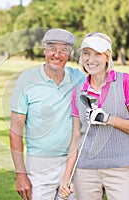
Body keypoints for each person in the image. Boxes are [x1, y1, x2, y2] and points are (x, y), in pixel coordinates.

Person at [60, 32, 129, 200]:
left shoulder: (126, 82)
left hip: (120, 169)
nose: (90, 59)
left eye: (97, 54)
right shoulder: (78, 93)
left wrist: (107, 119)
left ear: (107, 56)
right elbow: (76, 138)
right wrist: (66, 177)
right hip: (85, 171)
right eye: (86, 53)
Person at [10, 28, 85, 200]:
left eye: (64, 49)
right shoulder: (27, 80)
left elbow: (102, 82)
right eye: (52, 48)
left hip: (72, 164)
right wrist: (21, 175)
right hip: (39, 164)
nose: (57, 54)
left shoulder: (79, 79)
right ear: (44, 50)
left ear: (70, 53)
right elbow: (15, 131)